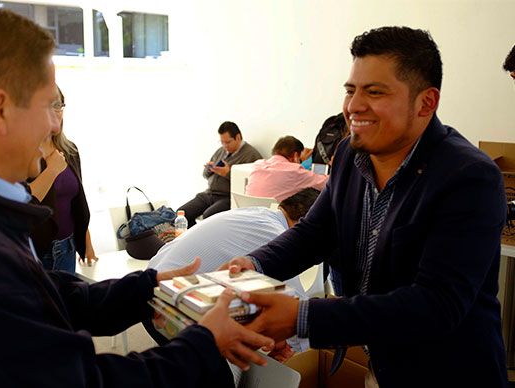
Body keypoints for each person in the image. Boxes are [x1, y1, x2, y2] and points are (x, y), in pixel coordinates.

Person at [0, 6, 274, 387]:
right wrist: (203, 344)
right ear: (0, 109)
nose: (55, 124)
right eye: (47, 105)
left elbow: (41, 295)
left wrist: (145, 289)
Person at [222, 26, 508, 387]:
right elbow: (316, 232)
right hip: (382, 363)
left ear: (426, 102)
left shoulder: (469, 178)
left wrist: (302, 317)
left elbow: (436, 305)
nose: (354, 106)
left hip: (448, 372)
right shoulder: (348, 154)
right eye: (351, 90)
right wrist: (255, 263)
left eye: (374, 92)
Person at [150, 188, 320, 296]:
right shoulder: (276, 234)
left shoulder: (257, 213)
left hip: (150, 282)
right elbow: (293, 301)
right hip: (171, 304)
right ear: (304, 221)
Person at [27, 86, 97, 273]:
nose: (55, 112)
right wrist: (51, 170)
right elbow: (22, 200)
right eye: (48, 106)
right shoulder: (23, 154)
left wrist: (86, 243)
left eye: (58, 105)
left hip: (67, 247)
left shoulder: (69, 150)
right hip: (36, 251)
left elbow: (78, 202)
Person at [178, 121, 262, 228]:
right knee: (182, 213)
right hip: (209, 194)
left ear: (238, 137)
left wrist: (228, 173)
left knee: (208, 216)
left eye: (228, 142)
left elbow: (253, 182)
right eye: (222, 142)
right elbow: (205, 175)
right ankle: (189, 240)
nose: (224, 146)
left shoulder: (251, 154)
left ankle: (203, 241)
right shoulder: (220, 151)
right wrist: (209, 169)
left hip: (226, 197)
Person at [245, 136, 327, 201]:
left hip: (250, 215)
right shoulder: (294, 171)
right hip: (274, 219)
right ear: (295, 155)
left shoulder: (258, 165)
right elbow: (326, 182)